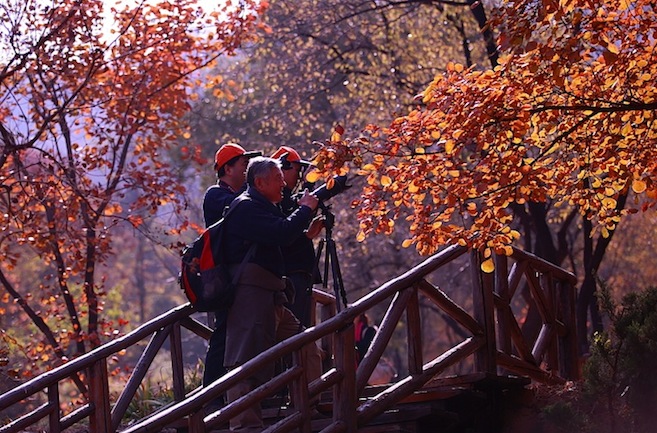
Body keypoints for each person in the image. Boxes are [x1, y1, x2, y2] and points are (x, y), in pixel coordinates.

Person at [222, 156, 324, 432]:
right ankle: (245, 427)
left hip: (272, 296)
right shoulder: (245, 208)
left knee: (305, 346)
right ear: (259, 182)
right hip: (250, 296)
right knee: (245, 362)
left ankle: (307, 406)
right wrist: (305, 209)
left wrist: (304, 234)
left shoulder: (263, 207)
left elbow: (279, 240)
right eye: (278, 179)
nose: (284, 184)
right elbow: (279, 233)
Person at [202, 143, 261, 403]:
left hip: (238, 277)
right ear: (227, 168)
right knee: (223, 334)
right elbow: (241, 207)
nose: (246, 169)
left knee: (233, 335)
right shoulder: (216, 195)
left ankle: (222, 397)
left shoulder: (238, 196)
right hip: (224, 278)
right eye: (242, 164)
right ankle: (210, 399)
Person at [271, 146, 324, 327]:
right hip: (292, 276)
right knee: (297, 329)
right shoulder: (277, 200)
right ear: (282, 168)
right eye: (297, 169)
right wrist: (308, 187)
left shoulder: (286, 198)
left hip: (299, 274)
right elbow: (287, 229)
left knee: (303, 327)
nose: (300, 175)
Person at [203, 142, 261, 226]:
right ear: (228, 170)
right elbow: (237, 206)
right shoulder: (214, 194)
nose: (249, 169)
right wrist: (251, 180)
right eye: (245, 164)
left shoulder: (243, 193)